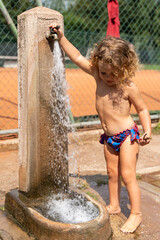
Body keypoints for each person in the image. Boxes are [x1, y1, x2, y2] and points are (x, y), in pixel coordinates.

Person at [49, 24, 151, 233]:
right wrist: (61, 37)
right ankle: (114, 205)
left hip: (127, 136)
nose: (108, 77)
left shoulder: (128, 86)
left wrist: (147, 130)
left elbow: (142, 109)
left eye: (113, 73)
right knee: (112, 173)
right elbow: (76, 56)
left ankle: (135, 214)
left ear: (125, 68)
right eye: (104, 72)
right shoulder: (98, 74)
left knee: (128, 174)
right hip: (108, 137)